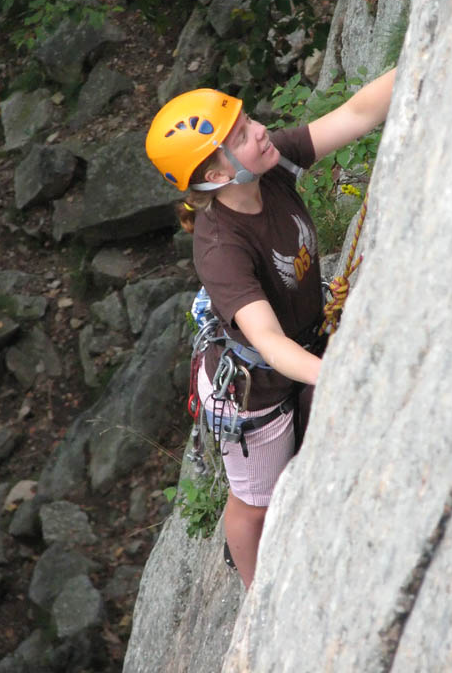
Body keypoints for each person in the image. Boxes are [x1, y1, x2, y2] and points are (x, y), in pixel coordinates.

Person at [145, 69, 396, 587]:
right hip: (253, 388)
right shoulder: (222, 248)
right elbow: (269, 342)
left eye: (247, 120)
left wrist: (422, 51)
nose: (258, 130)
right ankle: (255, 590)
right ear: (215, 175)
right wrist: (340, 377)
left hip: (301, 345)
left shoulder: (268, 166)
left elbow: (355, 114)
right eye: (239, 135)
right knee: (256, 502)